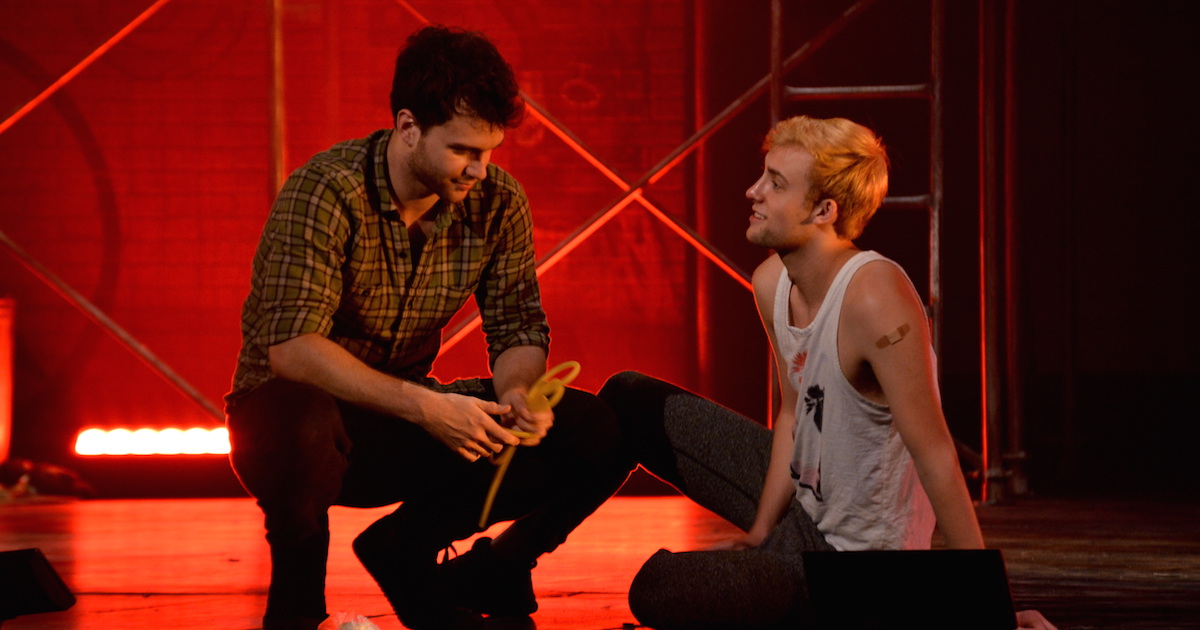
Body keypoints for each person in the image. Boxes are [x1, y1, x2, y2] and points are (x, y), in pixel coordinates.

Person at [224, 25, 631, 630]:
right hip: (289, 421)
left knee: (593, 428)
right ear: (408, 126)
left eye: (489, 151)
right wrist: (425, 408)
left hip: (402, 418)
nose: (480, 170)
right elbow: (292, 352)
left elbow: (517, 324)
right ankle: (297, 610)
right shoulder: (326, 190)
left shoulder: (498, 202)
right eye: (464, 151)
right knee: (302, 421)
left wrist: (518, 394)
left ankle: (409, 550)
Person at [599, 115, 1056, 629]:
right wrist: (761, 532)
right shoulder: (772, 282)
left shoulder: (874, 295)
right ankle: (509, 560)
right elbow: (792, 414)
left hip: (855, 564)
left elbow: (934, 453)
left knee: (658, 586)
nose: (753, 192)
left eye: (775, 183)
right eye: (762, 175)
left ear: (823, 210)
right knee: (627, 396)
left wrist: (988, 612)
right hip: (803, 508)